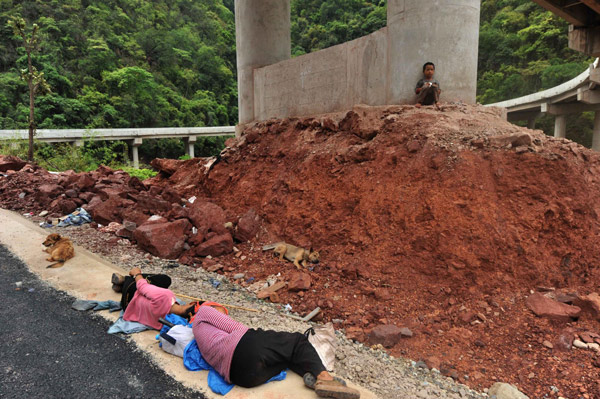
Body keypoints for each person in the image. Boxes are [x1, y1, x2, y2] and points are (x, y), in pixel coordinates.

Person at [192, 305, 361, 399]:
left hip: (243, 377)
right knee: (296, 342)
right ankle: (325, 377)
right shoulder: (205, 311)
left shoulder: (199, 332)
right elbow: (239, 328)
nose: (225, 313)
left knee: (286, 357)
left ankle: (314, 378)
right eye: (223, 311)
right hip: (243, 349)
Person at [111, 267, 195, 330]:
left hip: (130, 293)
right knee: (151, 291)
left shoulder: (166, 296)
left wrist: (137, 273)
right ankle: (121, 286)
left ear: (192, 303)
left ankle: (125, 279)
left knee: (164, 279)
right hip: (126, 308)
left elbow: (142, 286)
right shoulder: (169, 322)